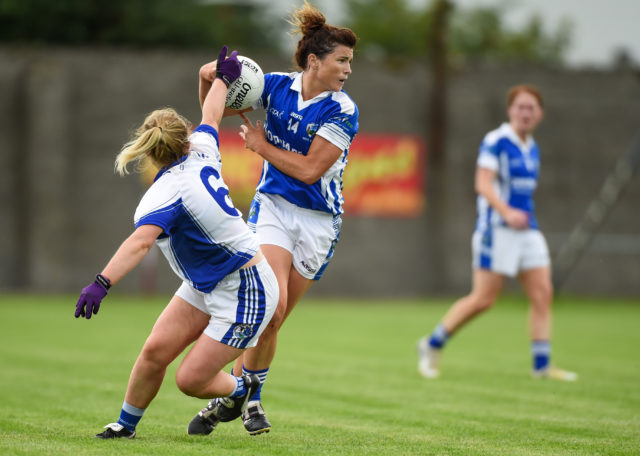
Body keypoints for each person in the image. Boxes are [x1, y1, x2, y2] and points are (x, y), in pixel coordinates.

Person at [74, 46, 279, 439]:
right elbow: (212, 112)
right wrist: (221, 76)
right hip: (206, 281)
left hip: (244, 287)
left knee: (189, 380)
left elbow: (139, 243)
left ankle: (242, 389)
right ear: (185, 136)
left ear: (150, 149)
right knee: (154, 352)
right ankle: (125, 425)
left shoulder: (165, 195)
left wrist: (101, 283)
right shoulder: (202, 147)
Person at [187, 1, 358, 436]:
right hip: (274, 210)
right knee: (272, 305)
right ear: (314, 61)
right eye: (342, 60)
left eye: (350, 62)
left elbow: (309, 170)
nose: (347, 69)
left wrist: (261, 147)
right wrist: (210, 76)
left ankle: (236, 395)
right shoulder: (275, 86)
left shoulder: (342, 109)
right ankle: (254, 401)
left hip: (319, 223)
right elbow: (215, 109)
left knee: (276, 319)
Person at [417, 84, 578, 382]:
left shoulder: (532, 147)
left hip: (527, 230)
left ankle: (541, 366)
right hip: (497, 229)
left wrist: (520, 216)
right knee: (483, 300)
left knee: (543, 293)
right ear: (510, 111)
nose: (525, 113)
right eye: (520, 107)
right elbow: (483, 183)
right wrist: (506, 213)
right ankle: (431, 344)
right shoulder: (497, 140)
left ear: (540, 113)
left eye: (531, 108)